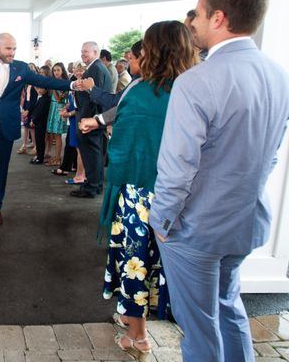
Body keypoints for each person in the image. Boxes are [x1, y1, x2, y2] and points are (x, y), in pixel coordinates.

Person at [151, 0, 289, 362]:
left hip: (196, 229)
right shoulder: (280, 76)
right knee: (229, 308)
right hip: (245, 222)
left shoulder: (197, 81)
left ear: (219, 18)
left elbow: (178, 166)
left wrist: (161, 221)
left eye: (197, 12)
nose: (191, 21)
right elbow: (272, 154)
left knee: (197, 328)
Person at [98, 21, 197, 361]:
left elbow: (124, 150)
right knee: (171, 268)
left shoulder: (142, 93)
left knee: (136, 261)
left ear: (153, 51)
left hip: (142, 195)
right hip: (188, 197)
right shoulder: (196, 89)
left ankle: (137, 336)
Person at [0, 33, 79, 233]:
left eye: (14, 48)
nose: (12, 52)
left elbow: (45, 82)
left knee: (2, 170)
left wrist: (72, 84)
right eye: (8, 49)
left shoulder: (21, 68)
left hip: (7, 126)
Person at [70, 41, 112, 198]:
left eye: (86, 51)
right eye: (81, 51)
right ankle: (95, 185)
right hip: (94, 118)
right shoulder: (97, 68)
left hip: (90, 119)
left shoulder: (95, 68)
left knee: (91, 154)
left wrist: (86, 121)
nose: (82, 54)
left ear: (96, 52)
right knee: (95, 154)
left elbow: (93, 98)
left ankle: (91, 187)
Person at [28, 87, 51, 165]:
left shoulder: (45, 99)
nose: (39, 90)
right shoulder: (43, 98)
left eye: (41, 89)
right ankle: (39, 156)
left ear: (46, 89)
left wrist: (33, 120)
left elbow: (39, 112)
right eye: (38, 88)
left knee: (40, 141)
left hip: (41, 123)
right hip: (40, 122)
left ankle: (39, 158)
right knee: (39, 141)